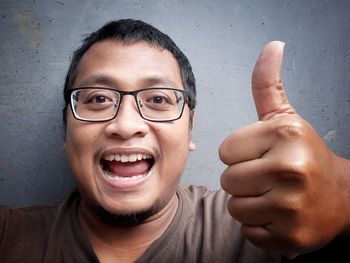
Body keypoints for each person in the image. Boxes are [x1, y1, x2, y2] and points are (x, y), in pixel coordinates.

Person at [0, 19, 349, 262]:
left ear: (190, 129)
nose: (126, 124)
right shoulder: (9, 237)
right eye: (99, 99)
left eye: (158, 99)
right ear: (66, 129)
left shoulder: (264, 229)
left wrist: (342, 192)